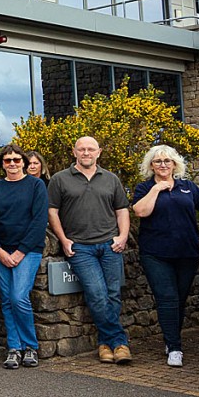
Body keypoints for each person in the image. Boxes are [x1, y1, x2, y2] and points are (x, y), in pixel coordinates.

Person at [131, 144, 199, 367]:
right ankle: (175, 348)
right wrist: (157, 189)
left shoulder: (187, 187)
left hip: (186, 253)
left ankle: (171, 339)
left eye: (167, 161)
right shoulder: (144, 188)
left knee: (178, 299)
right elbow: (140, 211)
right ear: (151, 165)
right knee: (167, 298)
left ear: (175, 164)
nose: (163, 165)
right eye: (158, 161)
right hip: (156, 253)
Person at [48, 137, 132, 364]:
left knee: (113, 294)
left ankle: (106, 344)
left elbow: (122, 210)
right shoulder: (60, 179)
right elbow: (52, 211)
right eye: (82, 149)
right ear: (74, 152)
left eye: (90, 149)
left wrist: (122, 237)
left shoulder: (111, 179)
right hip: (80, 247)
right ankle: (120, 342)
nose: (86, 152)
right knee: (97, 294)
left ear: (99, 152)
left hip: (110, 244)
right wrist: (64, 240)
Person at [0, 144, 49, 370]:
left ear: (24, 162)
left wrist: (20, 251)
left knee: (19, 297)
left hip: (28, 251)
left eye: (16, 160)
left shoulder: (36, 185)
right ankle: (14, 348)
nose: (12, 164)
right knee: (7, 300)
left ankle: (30, 346)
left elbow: (39, 221)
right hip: (1, 251)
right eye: (7, 160)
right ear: (2, 164)